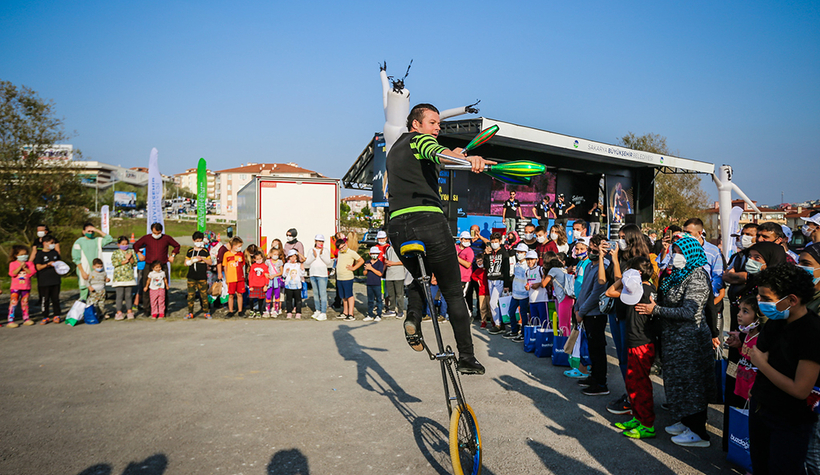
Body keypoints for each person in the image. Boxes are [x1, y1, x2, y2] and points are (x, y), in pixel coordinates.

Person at [386, 103, 493, 374]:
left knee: (420, 279)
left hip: (397, 226)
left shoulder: (395, 149)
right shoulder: (419, 140)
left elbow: (436, 156)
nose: (437, 128)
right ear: (415, 124)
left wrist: (456, 154)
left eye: (438, 124)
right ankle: (467, 358)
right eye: (433, 123)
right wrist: (467, 160)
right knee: (454, 293)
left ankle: (412, 317)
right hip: (428, 222)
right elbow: (436, 152)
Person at [635, 236, 715, 448]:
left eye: (680, 252)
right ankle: (686, 421)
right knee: (679, 382)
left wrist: (657, 309)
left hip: (690, 340)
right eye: (675, 251)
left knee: (693, 384)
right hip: (674, 339)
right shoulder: (678, 274)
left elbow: (690, 311)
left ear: (691, 253)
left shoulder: (697, 275)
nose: (676, 256)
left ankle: (698, 432)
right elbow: (669, 299)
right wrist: (657, 302)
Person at [747, 263, 820, 474]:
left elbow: (800, 389)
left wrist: (762, 364)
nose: (760, 303)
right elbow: (760, 355)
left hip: (789, 420)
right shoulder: (776, 322)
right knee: (760, 465)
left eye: (767, 299)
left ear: (792, 300)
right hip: (762, 407)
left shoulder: (811, 332)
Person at [606, 258, 658, 439]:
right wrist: (628, 275)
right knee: (632, 382)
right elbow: (610, 292)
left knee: (641, 384)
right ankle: (638, 416)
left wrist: (626, 276)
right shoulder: (637, 288)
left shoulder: (644, 291)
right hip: (633, 341)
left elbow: (610, 291)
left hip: (642, 343)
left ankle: (647, 424)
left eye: (630, 271)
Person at [606, 223, 654, 415]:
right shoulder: (620, 256)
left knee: (629, 359)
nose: (620, 240)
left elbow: (623, 285)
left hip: (630, 315)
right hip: (617, 313)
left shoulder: (638, 261)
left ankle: (632, 398)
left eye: (623, 237)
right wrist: (607, 258)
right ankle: (630, 394)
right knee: (622, 358)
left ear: (633, 238)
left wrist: (617, 262)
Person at [575, 234, 612, 396]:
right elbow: (584, 290)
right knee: (591, 347)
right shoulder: (590, 265)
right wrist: (577, 307)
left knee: (597, 349)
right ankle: (594, 376)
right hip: (585, 312)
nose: (590, 251)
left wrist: (581, 312)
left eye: (593, 249)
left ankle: (601, 383)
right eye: (589, 248)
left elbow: (596, 294)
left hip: (595, 314)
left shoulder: (602, 268)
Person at [725, 295, 766, 401]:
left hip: (751, 391)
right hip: (741, 387)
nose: (739, 314)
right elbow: (744, 356)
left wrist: (754, 387)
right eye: (740, 310)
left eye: (745, 311)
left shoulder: (759, 340)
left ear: (757, 318)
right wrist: (739, 346)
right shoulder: (747, 335)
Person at [133, 223, 179, 315]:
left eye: (158, 233)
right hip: (149, 265)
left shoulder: (166, 238)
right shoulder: (147, 238)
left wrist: (173, 255)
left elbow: (177, 246)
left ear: (161, 231)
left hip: (162, 265)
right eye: (155, 233)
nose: (156, 235)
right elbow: (136, 245)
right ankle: (147, 309)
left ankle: (163, 309)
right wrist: (139, 253)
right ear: (151, 231)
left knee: (163, 287)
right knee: (146, 286)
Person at [72, 222, 114, 301]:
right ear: (83, 232)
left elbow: (109, 238)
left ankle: (95, 311)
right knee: (84, 289)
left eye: (92, 231)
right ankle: (82, 310)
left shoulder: (97, 240)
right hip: (84, 269)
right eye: (88, 231)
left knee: (96, 292)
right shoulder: (79, 242)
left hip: (96, 271)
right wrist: (82, 271)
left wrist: (97, 230)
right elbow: (76, 258)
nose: (90, 233)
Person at [484, 232, 511, 335]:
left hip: (500, 279)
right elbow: (486, 266)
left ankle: (498, 324)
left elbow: (506, 269)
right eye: (492, 242)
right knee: (495, 303)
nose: (494, 244)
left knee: (493, 302)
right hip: (490, 278)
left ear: (500, 242)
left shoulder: (504, 253)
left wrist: (506, 284)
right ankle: (499, 323)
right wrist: (486, 255)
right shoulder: (490, 252)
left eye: (496, 242)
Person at [33, 234, 62, 324]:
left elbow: (59, 263)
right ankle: (45, 316)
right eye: (51, 243)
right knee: (45, 300)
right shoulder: (39, 254)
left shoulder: (55, 253)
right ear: (45, 243)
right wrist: (47, 264)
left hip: (55, 279)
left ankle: (57, 315)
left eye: (53, 243)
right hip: (44, 281)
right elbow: (38, 267)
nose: (53, 244)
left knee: (55, 299)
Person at [505, 243, 531, 339]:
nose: (518, 254)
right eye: (518, 252)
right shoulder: (516, 264)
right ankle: (514, 330)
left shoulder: (527, 266)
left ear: (525, 253)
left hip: (524, 294)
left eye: (521, 252)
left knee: (523, 314)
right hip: (515, 293)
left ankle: (523, 333)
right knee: (511, 312)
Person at [185, 231, 212, 319]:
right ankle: (190, 312)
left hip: (202, 277)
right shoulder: (190, 251)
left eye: (200, 240)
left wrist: (202, 259)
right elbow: (186, 263)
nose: (199, 242)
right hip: (191, 277)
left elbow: (210, 262)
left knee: (204, 295)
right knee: (190, 296)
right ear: (193, 240)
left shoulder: (205, 251)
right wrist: (193, 260)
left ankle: (206, 312)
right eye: (197, 240)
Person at [7, 245, 36, 327]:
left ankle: (26, 318)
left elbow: (32, 273)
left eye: (26, 254)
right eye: (22, 254)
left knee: (25, 303)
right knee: (13, 303)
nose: (24, 256)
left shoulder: (29, 263)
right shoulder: (13, 264)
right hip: (15, 288)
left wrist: (26, 268)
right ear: (16, 255)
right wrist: (20, 267)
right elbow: (12, 273)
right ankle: (10, 320)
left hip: (26, 287)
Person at [334, 239, 363, 321]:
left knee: (349, 295)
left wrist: (353, 268)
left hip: (347, 277)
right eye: (340, 248)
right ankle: (345, 312)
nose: (343, 249)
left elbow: (361, 260)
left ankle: (351, 314)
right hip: (340, 277)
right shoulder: (340, 253)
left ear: (345, 244)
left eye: (343, 246)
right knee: (343, 296)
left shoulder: (351, 252)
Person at [110, 236, 137, 321]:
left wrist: (130, 258)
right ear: (118, 244)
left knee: (128, 295)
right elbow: (114, 263)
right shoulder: (116, 253)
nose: (125, 246)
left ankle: (129, 312)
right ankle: (119, 312)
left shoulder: (131, 251)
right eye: (122, 244)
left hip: (129, 277)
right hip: (119, 277)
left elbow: (134, 263)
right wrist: (124, 261)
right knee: (120, 295)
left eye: (126, 244)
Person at [305, 234, 331, 321]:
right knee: (315, 294)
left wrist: (321, 253)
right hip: (313, 274)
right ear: (315, 241)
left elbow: (328, 261)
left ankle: (323, 312)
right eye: (319, 241)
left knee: (322, 294)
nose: (320, 243)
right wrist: (314, 256)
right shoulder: (311, 250)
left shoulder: (326, 250)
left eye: (322, 241)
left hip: (322, 275)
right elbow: (308, 262)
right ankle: (317, 310)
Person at [222, 236, 245, 317]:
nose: (240, 248)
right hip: (231, 278)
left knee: (239, 294)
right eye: (239, 246)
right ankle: (231, 311)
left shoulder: (241, 254)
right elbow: (225, 266)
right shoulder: (226, 254)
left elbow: (242, 264)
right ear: (234, 246)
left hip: (240, 278)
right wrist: (226, 278)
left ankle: (240, 310)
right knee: (231, 295)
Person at [383, 240, 406, 319]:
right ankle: (392, 309)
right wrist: (386, 263)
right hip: (389, 275)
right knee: (391, 294)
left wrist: (393, 263)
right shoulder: (388, 249)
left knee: (399, 294)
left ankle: (400, 311)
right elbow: (385, 259)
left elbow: (404, 261)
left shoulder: (400, 248)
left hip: (399, 275)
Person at [363, 246, 385, 322]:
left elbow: (380, 273)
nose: (374, 254)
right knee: (370, 300)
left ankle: (379, 314)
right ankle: (370, 314)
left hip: (377, 284)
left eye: (376, 253)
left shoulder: (380, 263)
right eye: (373, 253)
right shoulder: (367, 262)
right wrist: (366, 268)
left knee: (379, 299)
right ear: (370, 254)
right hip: (369, 283)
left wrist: (371, 268)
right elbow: (364, 273)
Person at [283, 249, 305, 319]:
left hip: (297, 285)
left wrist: (302, 269)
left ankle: (298, 312)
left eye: (294, 257)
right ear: (288, 257)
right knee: (288, 300)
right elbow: (284, 275)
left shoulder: (298, 265)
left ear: (296, 257)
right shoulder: (286, 265)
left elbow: (302, 274)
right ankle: (289, 312)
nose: (293, 258)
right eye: (291, 257)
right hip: (288, 286)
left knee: (298, 300)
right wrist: (286, 272)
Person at [266, 248, 284, 316]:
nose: (276, 256)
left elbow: (281, 272)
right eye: (274, 254)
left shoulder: (279, 262)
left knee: (277, 294)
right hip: (269, 280)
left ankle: (276, 309)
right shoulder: (267, 262)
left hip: (277, 279)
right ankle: (267, 309)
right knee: (268, 294)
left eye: (277, 254)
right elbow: (265, 270)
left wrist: (274, 275)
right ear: (271, 254)